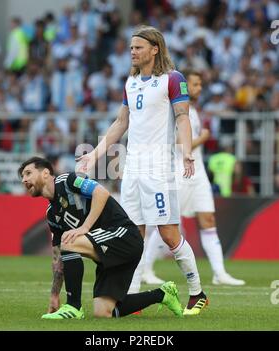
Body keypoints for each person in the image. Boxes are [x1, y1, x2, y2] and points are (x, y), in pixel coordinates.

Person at [78, 25, 208, 315]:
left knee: (168, 234)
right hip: (133, 169)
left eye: (138, 47)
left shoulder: (172, 79)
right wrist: (96, 155)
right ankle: (131, 297)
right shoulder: (131, 81)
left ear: (155, 49)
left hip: (159, 168)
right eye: (131, 47)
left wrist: (186, 152)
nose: (132, 52)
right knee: (132, 234)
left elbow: (183, 117)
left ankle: (198, 292)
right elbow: (120, 123)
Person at [18, 157, 183, 319]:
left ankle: (73, 307)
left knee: (69, 241)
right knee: (103, 312)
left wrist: (85, 227)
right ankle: (162, 294)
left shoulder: (68, 180)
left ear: (46, 173)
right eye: (22, 177)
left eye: (28, 173)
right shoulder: (52, 214)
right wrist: (54, 295)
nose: (24, 180)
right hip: (108, 251)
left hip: (124, 236)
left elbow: (101, 192)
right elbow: (58, 257)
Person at [142, 71, 245, 286]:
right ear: (184, 85)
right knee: (167, 222)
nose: (199, 88)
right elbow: (180, 143)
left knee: (208, 220)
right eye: (195, 84)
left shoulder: (193, 110)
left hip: (197, 174)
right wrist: (203, 138)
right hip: (180, 172)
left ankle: (219, 273)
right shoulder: (177, 109)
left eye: (199, 84)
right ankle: (146, 268)